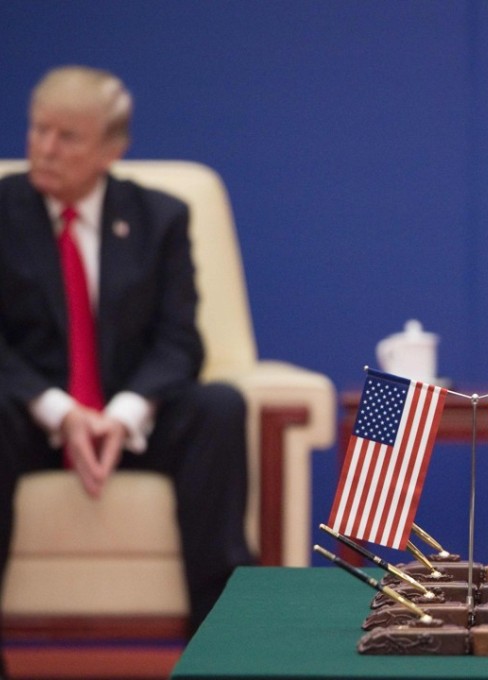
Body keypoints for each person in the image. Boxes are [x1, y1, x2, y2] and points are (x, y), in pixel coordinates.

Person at [0, 66, 252, 677]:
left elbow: (178, 341)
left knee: (219, 407)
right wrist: (60, 411)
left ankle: (219, 649)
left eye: (68, 137)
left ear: (113, 149)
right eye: (38, 130)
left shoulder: (159, 218)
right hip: (28, 420)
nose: (44, 148)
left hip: (130, 425)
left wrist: (121, 414)